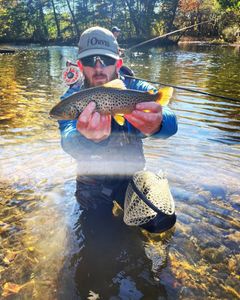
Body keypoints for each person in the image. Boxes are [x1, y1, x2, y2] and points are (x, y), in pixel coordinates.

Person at [58, 26, 178, 232]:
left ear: (118, 63)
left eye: (105, 60)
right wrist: (88, 139)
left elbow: (171, 122)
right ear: (80, 65)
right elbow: (68, 140)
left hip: (130, 179)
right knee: (96, 238)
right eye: (89, 60)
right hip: (91, 184)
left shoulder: (134, 88)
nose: (98, 68)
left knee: (161, 222)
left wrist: (158, 124)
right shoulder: (72, 100)